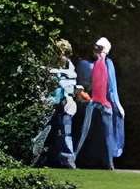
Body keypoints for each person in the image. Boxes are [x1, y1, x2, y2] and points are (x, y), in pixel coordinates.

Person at [78, 36, 124, 169]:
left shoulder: (108, 64)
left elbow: (112, 87)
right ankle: (78, 158)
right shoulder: (86, 64)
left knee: (107, 133)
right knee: (85, 131)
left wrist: (117, 105)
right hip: (90, 102)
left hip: (105, 103)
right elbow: (83, 84)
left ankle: (108, 162)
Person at [38, 40, 80, 167]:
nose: (62, 56)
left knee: (65, 132)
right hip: (51, 103)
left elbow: (69, 83)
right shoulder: (50, 66)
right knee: (46, 132)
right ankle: (44, 158)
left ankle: (67, 160)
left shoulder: (69, 67)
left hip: (65, 104)